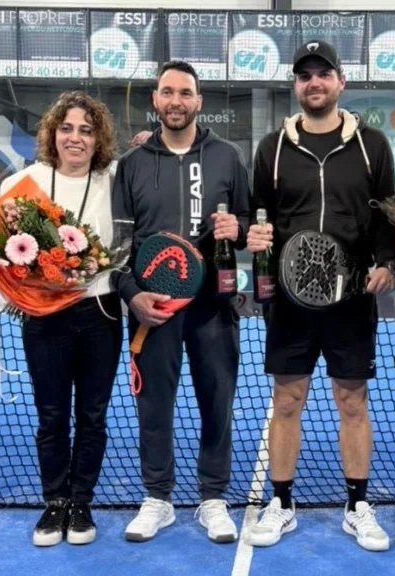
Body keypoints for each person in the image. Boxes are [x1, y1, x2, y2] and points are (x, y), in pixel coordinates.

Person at [245, 40, 395, 551]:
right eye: (305, 75)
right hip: (289, 301)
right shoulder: (271, 147)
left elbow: (384, 216)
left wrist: (386, 262)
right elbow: (258, 215)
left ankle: (357, 505)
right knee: (287, 399)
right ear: (296, 85)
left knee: (352, 401)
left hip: (351, 298)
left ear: (340, 82)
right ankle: (282, 503)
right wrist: (255, 238)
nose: (314, 83)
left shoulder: (372, 144)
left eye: (323, 74)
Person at [111, 60, 250, 544]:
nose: (176, 101)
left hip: (215, 306)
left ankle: (213, 498)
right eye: (167, 92)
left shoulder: (228, 157)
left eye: (185, 93)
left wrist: (242, 231)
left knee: (218, 402)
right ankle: (158, 498)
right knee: (154, 403)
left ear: (198, 101)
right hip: (153, 310)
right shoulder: (130, 166)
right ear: (155, 100)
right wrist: (133, 297)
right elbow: (116, 249)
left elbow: (252, 229)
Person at [0, 90, 124, 547]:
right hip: (44, 320)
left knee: (92, 416)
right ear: (53, 133)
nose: (76, 138)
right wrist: (23, 287)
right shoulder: (25, 182)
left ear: (98, 138)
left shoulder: (113, 180)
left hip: (100, 313)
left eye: (86, 130)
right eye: (67, 128)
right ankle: (54, 504)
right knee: (51, 416)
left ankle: (81, 503)